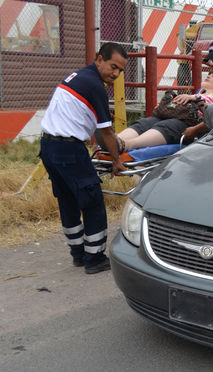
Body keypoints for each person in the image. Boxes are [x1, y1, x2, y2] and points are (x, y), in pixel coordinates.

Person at [39, 42, 127, 274]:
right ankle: (94, 258)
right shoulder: (95, 86)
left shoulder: (76, 76)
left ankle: (78, 254)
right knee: (92, 201)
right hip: (69, 150)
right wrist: (116, 161)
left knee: (67, 200)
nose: (116, 74)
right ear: (99, 59)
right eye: (113, 67)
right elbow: (106, 132)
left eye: (120, 71)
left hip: (48, 146)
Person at [117, 71, 213, 150]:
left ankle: (127, 145)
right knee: (147, 122)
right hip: (173, 116)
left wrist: (197, 100)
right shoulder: (195, 94)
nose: (209, 76)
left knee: (168, 125)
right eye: (209, 75)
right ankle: (115, 141)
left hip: (190, 123)